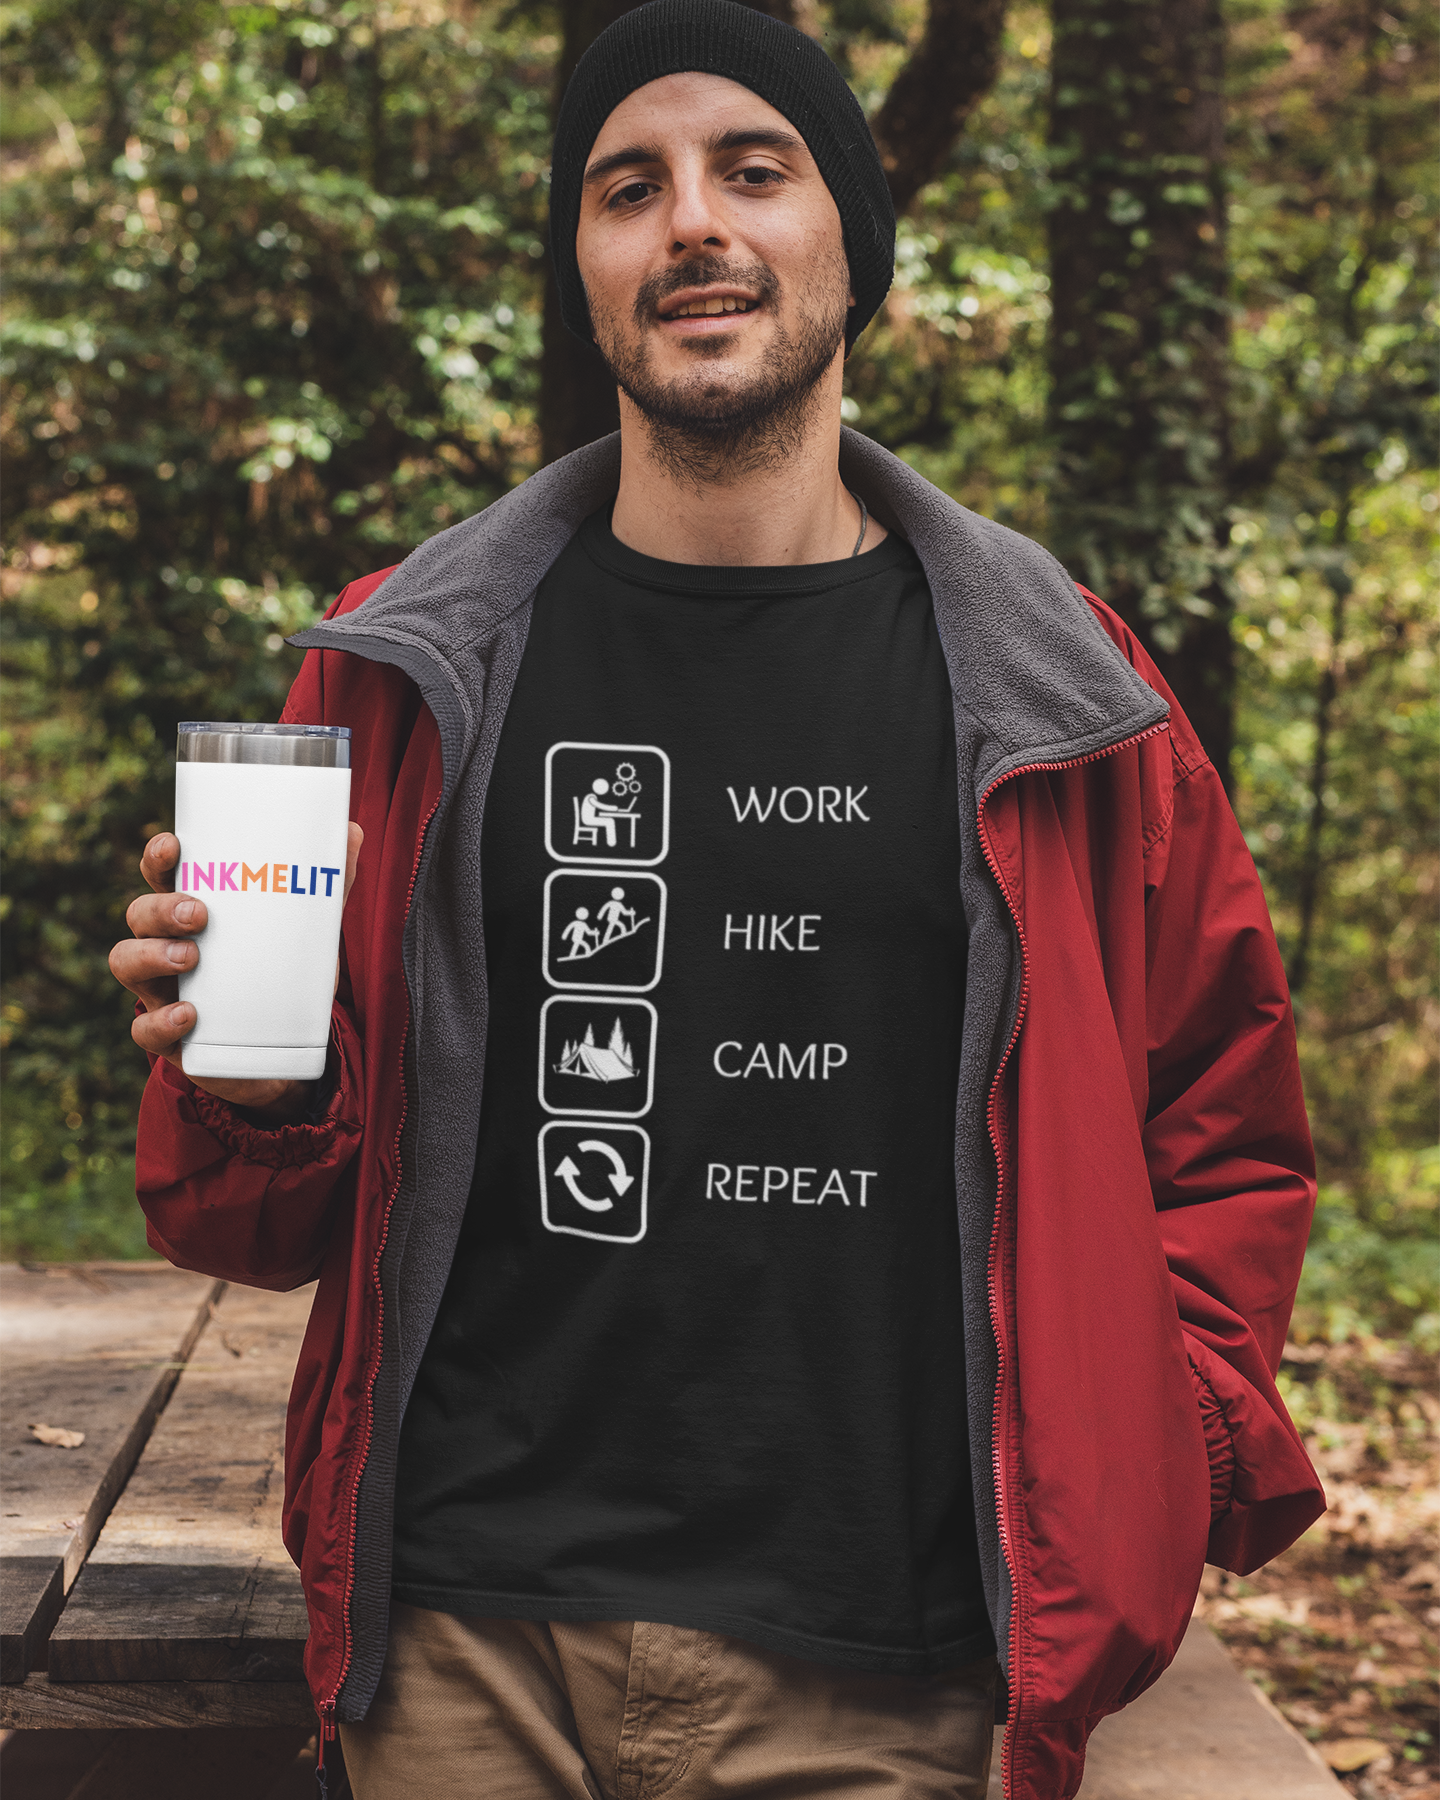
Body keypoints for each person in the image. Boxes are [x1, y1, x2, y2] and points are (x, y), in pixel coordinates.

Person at [108, 3, 1324, 1795]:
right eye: (628, 186)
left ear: (852, 240)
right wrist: (244, 1077)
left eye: (755, 170)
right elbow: (259, 1219)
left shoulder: (1066, 704)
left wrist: (1166, 1451)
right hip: (460, 1642)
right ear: (585, 266)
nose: (692, 222)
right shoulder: (411, 672)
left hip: (890, 1673)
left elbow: (1224, 1138)